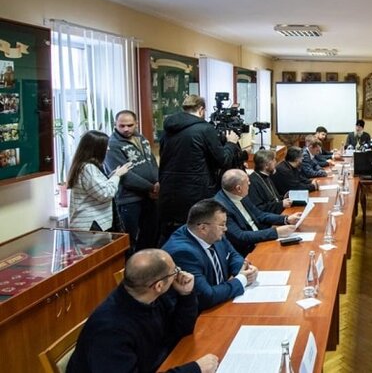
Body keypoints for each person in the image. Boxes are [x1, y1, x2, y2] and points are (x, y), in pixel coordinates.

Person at [67, 249, 218, 373]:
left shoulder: (148, 296)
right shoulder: (110, 330)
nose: (179, 274)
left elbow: (180, 330)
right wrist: (194, 370)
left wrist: (185, 295)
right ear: (158, 285)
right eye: (175, 271)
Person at [158, 94, 241, 242]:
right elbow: (223, 160)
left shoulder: (168, 129)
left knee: (175, 234)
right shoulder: (205, 129)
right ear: (201, 110)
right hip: (197, 192)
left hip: (169, 191)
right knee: (198, 233)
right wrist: (231, 144)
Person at [163, 199, 259, 311]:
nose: (226, 229)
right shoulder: (183, 253)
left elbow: (232, 254)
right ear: (203, 228)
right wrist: (242, 280)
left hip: (222, 300)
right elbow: (206, 296)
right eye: (222, 225)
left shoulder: (212, 233)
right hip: (200, 315)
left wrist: (244, 269)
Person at [104, 110, 159, 252]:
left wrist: (158, 182)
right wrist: (151, 187)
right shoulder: (112, 145)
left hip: (149, 197)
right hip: (129, 199)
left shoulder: (141, 139)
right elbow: (125, 176)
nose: (126, 129)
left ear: (136, 124)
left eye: (129, 125)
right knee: (129, 240)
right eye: (122, 126)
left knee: (150, 235)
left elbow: (152, 162)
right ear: (115, 124)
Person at [215, 169, 300, 256]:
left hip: (261, 238)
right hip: (249, 250)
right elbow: (240, 236)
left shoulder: (239, 194)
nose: (249, 184)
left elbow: (260, 215)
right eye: (247, 182)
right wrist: (275, 232)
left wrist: (286, 219)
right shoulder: (221, 207)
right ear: (238, 188)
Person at [68, 130, 132, 231]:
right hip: (90, 225)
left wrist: (113, 175)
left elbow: (98, 187)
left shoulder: (87, 166)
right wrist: (117, 176)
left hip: (93, 224)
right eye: (106, 146)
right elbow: (105, 193)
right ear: (96, 149)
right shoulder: (88, 168)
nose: (108, 148)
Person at [247, 149, 291, 214]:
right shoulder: (253, 182)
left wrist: (283, 197)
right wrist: (281, 204)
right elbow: (259, 208)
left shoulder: (267, 176)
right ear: (266, 165)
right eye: (273, 160)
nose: (275, 162)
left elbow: (274, 198)